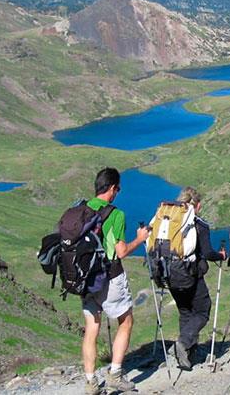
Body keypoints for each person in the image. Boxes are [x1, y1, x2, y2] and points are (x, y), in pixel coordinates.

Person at [82, 167, 150, 395]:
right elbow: (120, 251)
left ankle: (91, 382)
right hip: (109, 278)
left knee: (91, 328)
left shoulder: (82, 208)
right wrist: (140, 239)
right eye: (118, 189)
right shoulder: (116, 214)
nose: (118, 193)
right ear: (111, 188)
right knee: (126, 320)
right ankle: (115, 374)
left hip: (85, 279)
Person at [167, 187, 226, 370]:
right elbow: (208, 252)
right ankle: (184, 343)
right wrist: (221, 256)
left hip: (169, 274)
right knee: (202, 310)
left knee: (185, 312)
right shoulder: (199, 225)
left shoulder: (169, 221)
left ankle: (187, 354)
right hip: (191, 275)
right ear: (197, 205)